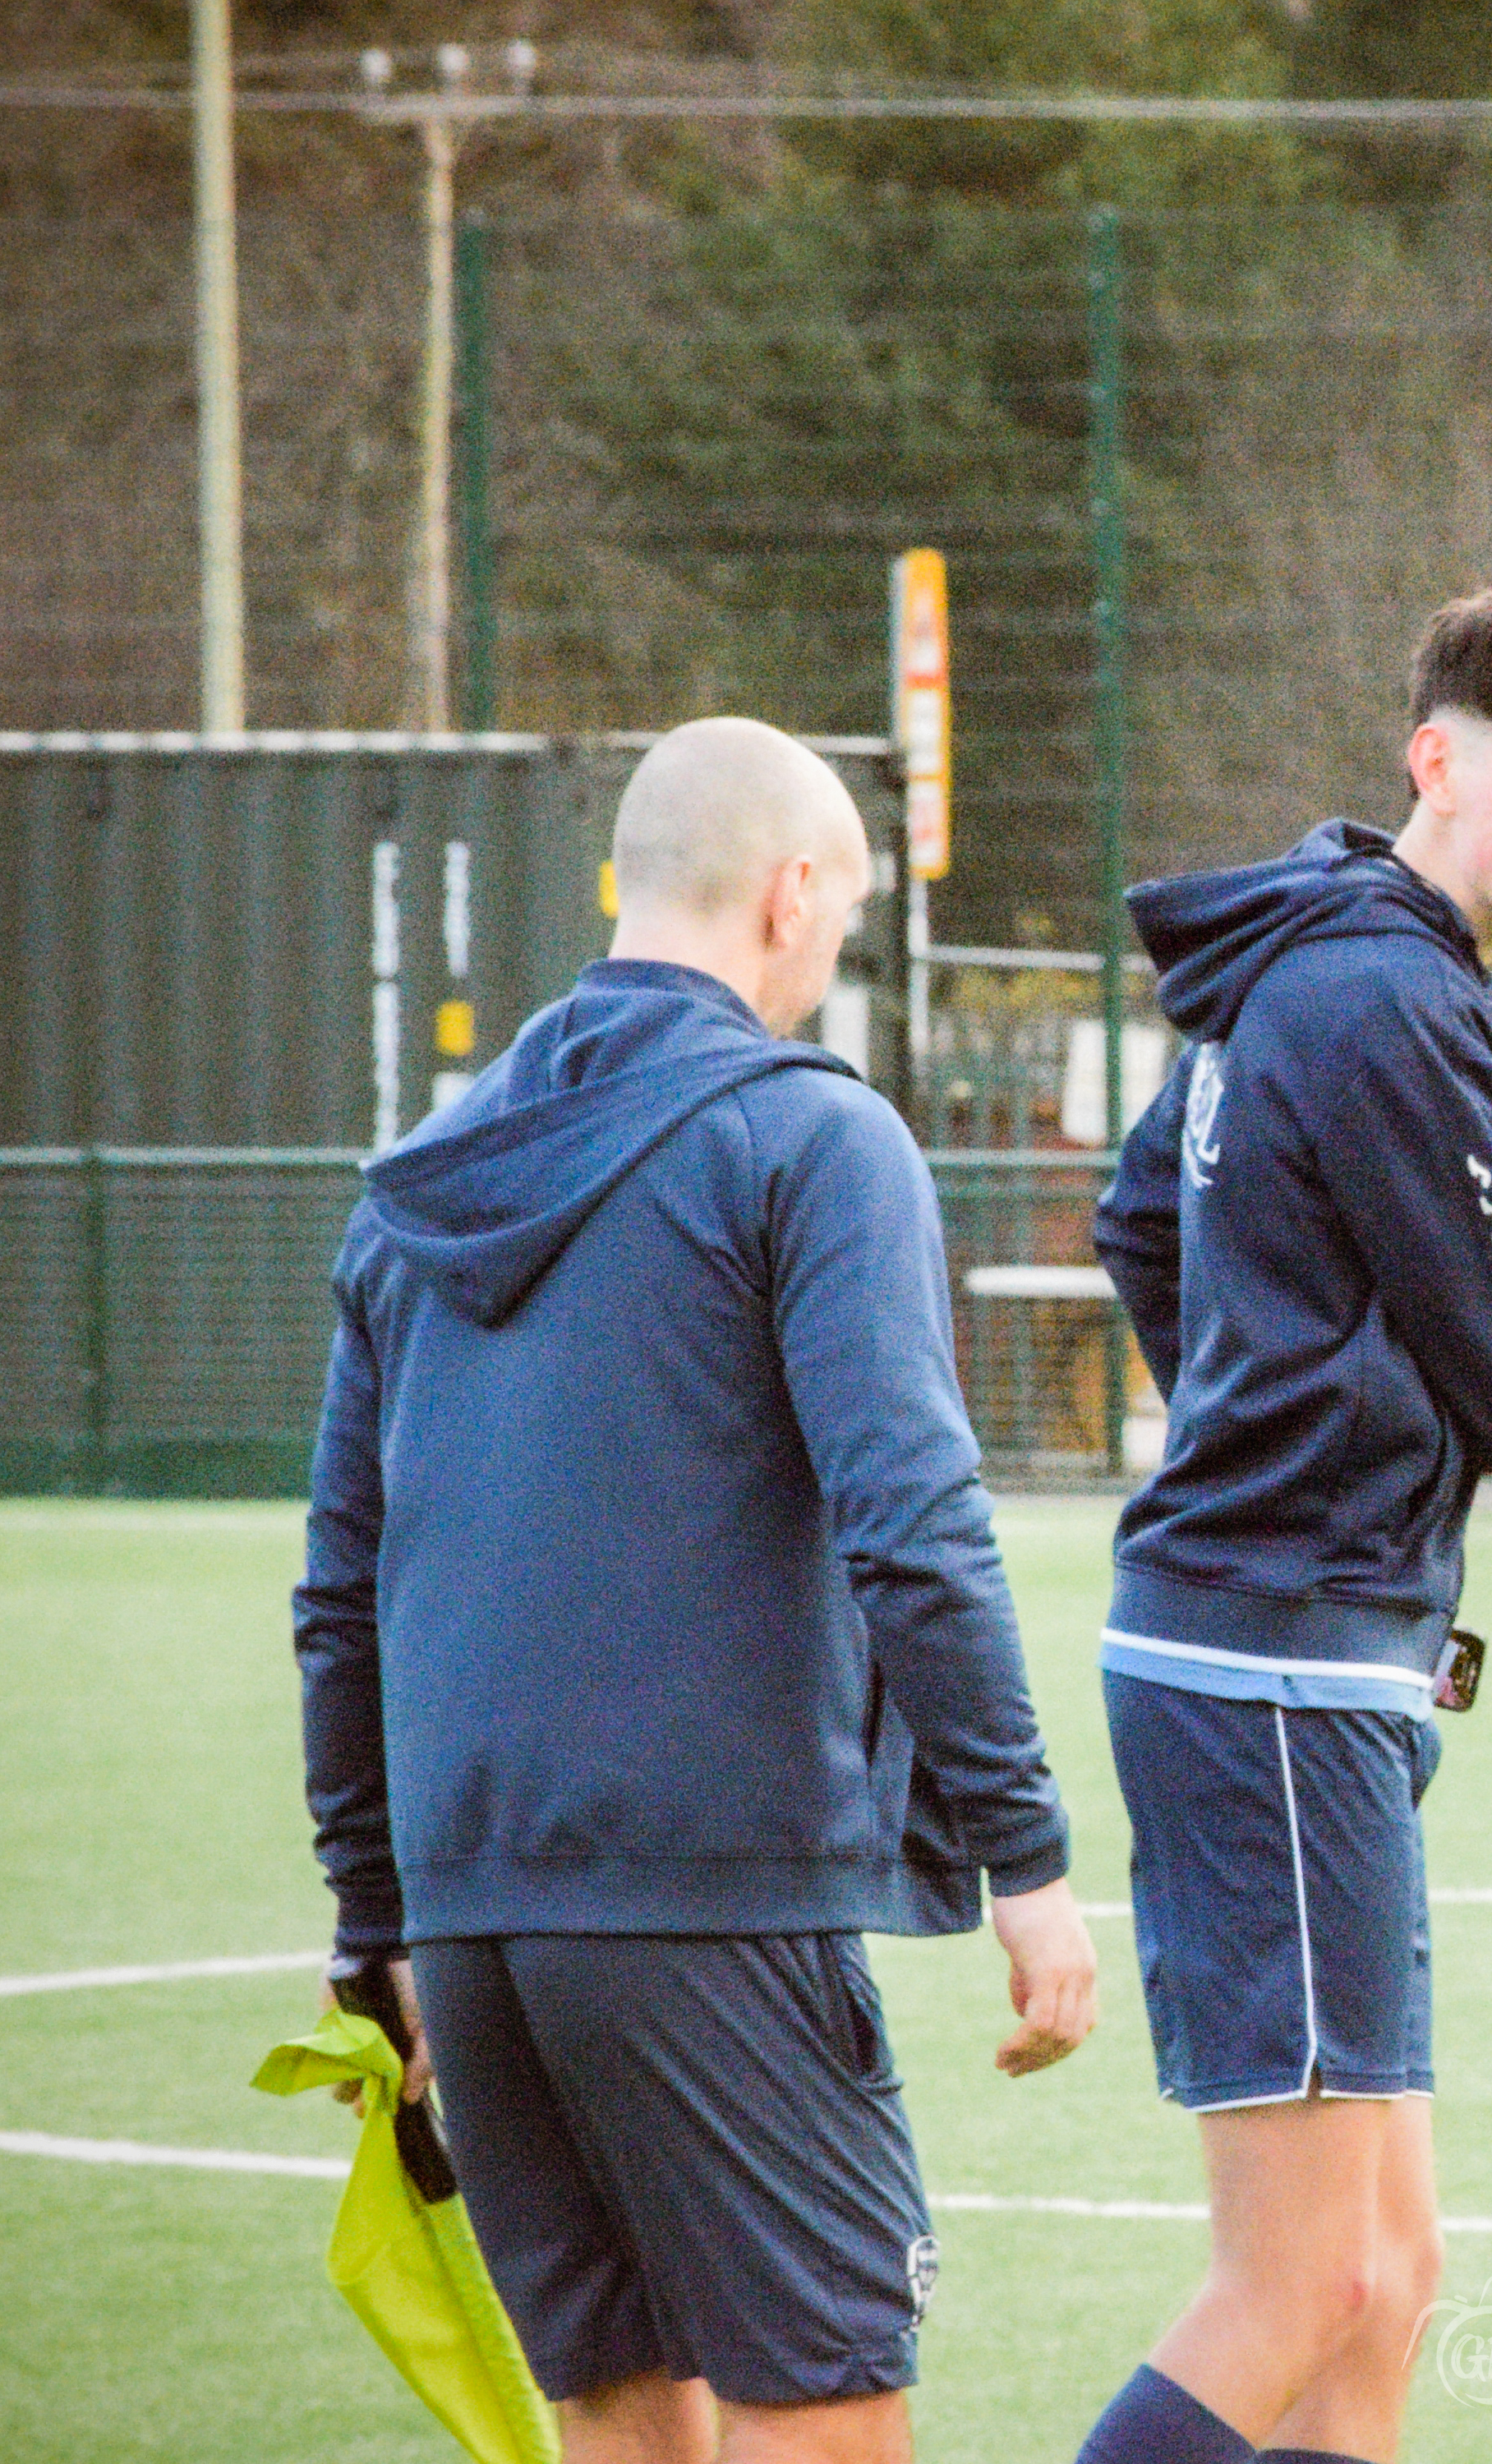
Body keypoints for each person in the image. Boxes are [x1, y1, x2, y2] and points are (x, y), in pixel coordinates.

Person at [292, 716, 1100, 2464]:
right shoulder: (816, 1139)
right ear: (795, 891)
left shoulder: (417, 1182)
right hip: (711, 1900)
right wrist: (1025, 1855)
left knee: (618, 2417)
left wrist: (383, 1929)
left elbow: (342, 1588)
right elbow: (914, 1516)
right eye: (851, 916)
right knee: (826, 2421)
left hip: (472, 1913)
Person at [1078, 583, 1492, 2464]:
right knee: (1306, 2284)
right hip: (1274, 1662)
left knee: (1389, 2273)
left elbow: (1137, 1215)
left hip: (1283, 1643)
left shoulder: (1310, 957)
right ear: (1438, 759)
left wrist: (1273, 1388)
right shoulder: (1397, 990)